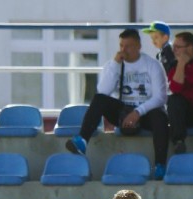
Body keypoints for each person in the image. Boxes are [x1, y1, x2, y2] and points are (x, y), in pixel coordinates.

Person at [65, 29, 169, 181]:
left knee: (160, 117)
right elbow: (103, 91)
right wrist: (115, 65)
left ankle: (160, 166)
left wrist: (138, 112)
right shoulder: (113, 65)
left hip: (145, 113)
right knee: (99, 99)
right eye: (121, 45)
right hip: (122, 112)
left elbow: (160, 97)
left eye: (128, 46)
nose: (123, 50)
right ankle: (82, 140)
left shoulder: (152, 65)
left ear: (138, 46)